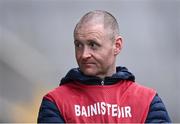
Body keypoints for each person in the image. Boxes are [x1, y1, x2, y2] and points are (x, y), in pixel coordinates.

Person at [37, 10, 171, 123]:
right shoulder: (55, 102)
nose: (84, 55)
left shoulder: (147, 101)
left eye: (93, 45)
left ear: (117, 46)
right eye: (78, 45)